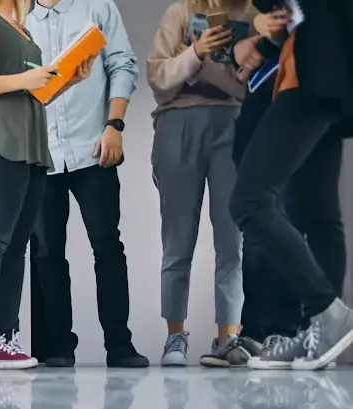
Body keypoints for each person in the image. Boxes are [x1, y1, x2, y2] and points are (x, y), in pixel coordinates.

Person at [0, 0, 94, 369]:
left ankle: (6, 338)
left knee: (18, 246)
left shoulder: (24, 31)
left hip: (32, 145)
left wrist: (70, 79)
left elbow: (36, 94)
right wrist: (24, 79)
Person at [25, 0, 149, 369]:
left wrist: (115, 126)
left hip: (94, 149)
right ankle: (59, 346)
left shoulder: (97, 7)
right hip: (40, 153)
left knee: (107, 247)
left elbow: (122, 64)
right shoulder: (21, 17)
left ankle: (120, 345)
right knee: (47, 253)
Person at [233, 1, 353, 371]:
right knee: (317, 215)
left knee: (249, 203)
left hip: (314, 81)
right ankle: (319, 335)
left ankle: (326, 312)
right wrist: (263, 45)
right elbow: (301, 12)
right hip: (317, 78)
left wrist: (254, 22)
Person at [147, 0, 254, 368]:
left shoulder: (254, 16)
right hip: (177, 125)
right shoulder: (181, 11)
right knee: (177, 239)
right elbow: (158, 77)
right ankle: (174, 336)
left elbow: (252, 87)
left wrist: (192, 65)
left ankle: (228, 338)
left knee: (232, 239)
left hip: (234, 124)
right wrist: (196, 53)